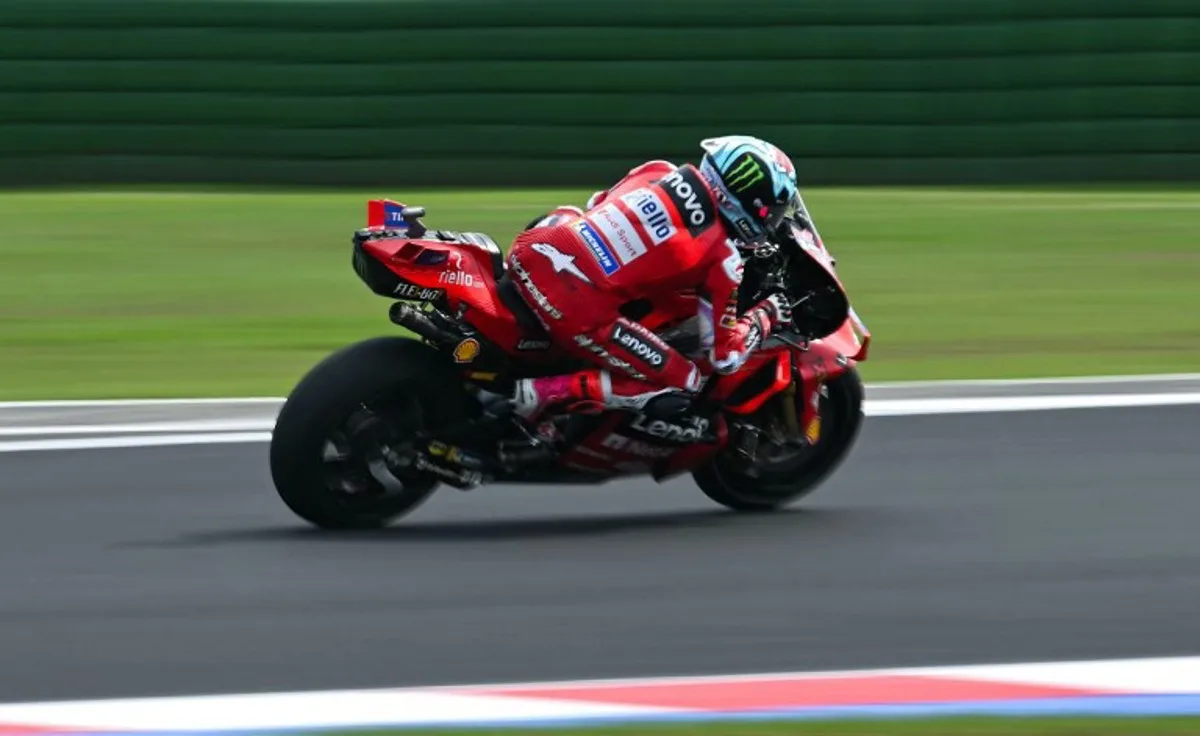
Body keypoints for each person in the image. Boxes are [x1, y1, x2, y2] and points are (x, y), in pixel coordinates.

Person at [504, 134, 804, 422]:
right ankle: (537, 394)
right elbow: (724, 357)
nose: (772, 220)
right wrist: (768, 313)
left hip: (530, 251)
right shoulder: (723, 259)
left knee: (574, 213)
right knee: (686, 381)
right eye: (772, 212)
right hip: (574, 307)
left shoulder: (657, 169)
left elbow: (598, 203)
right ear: (751, 205)